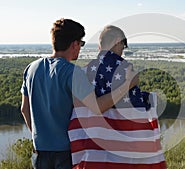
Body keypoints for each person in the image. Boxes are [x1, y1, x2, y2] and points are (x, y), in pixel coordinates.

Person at [20, 19, 138, 169]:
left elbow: (24, 109)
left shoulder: (31, 68)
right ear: (74, 44)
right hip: (66, 153)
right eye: (81, 44)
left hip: (40, 152)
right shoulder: (72, 72)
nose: (80, 48)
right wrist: (128, 84)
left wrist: (38, 139)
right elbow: (97, 107)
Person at [68, 25, 167, 168]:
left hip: (93, 155)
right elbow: (135, 114)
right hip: (123, 158)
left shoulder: (84, 72)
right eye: (123, 46)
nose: (122, 52)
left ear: (99, 46)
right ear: (117, 41)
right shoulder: (125, 70)